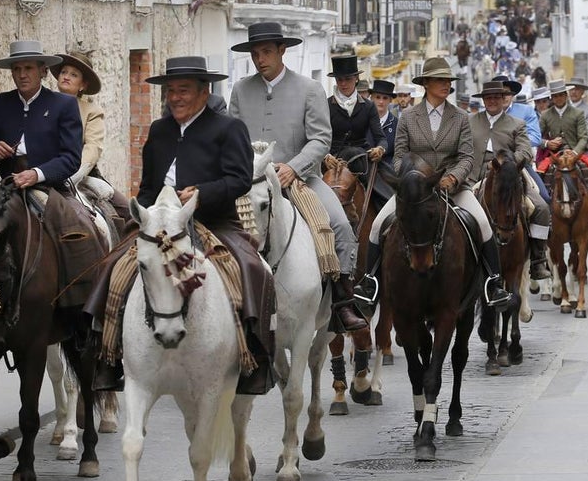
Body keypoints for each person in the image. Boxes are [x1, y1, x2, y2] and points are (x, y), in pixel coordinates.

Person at [136, 56, 275, 395]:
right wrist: (143, 213)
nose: (176, 98)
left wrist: (201, 192)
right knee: (115, 264)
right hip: (160, 223)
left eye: (183, 90)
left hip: (215, 220)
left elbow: (240, 179)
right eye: (170, 91)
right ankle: (105, 351)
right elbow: (147, 186)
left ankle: (255, 352)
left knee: (252, 267)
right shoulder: (158, 130)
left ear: (204, 91)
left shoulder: (228, 128)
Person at [228, 22, 368, 334]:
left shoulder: (309, 89)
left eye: (266, 52)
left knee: (341, 226)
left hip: (299, 179)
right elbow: (232, 139)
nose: (260, 59)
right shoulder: (240, 90)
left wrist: (292, 168)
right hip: (250, 184)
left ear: (282, 51)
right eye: (255, 53)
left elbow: (320, 140)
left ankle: (342, 303)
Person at [354, 57, 511, 309]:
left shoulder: (460, 117)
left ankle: (494, 284)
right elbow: (400, 154)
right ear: (426, 83)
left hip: (452, 187)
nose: (446, 85)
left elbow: (467, 156)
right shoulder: (408, 116)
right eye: (440, 80)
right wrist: (410, 180)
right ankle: (370, 282)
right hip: (415, 190)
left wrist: (453, 177)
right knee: (377, 226)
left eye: (448, 80)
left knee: (483, 223)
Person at [0, 40, 103, 313]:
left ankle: (79, 303)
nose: (22, 74)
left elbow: (71, 158)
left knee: (79, 231)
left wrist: (36, 174)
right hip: (7, 188)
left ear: (43, 71)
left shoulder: (62, 105)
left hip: (49, 187)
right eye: (17, 68)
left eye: (28, 68)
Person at [469, 80, 552, 281]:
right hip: (474, 175)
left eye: (497, 97)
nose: (493, 101)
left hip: (509, 176)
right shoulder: (470, 121)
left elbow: (525, 151)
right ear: (484, 100)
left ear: (503, 99)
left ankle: (538, 259)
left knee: (541, 206)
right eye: (488, 98)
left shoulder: (517, 124)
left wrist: (505, 164)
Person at [49, 49, 129, 223]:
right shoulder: (44, 104)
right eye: (63, 72)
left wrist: (71, 177)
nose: (66, 76)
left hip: (79, 174)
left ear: (83, 85)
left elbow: (93, 148)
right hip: (44, 170)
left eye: (74, 74)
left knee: (127, 211)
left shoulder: (92, 111)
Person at [537, 79, 588, 235]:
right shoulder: (546, 115)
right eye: (555, 96)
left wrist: (575, 152)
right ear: (552, 98)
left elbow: (584, 137)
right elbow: (537, 136)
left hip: (576, 154)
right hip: (555, 155)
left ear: (565, 95)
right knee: (540, 175)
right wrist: (547, 143)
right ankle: (543, 217)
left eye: (561, 95)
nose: (558, 99)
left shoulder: (578, 113)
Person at [326, 55, 385, 167]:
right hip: (333, 159)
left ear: (356, 78)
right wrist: (326, 155)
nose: (343, 84)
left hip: (362, 157)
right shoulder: (326, 105)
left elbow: (381, 138)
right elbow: (320, 137)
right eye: (339, 79)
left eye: (348, 79)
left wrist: (379, 148)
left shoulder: (369, 106)